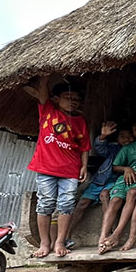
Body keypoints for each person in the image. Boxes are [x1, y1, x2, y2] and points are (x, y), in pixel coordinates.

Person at [24, 77, 90, 258]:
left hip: (70, 170)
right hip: (46, 168)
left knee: (67, 204)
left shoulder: (80, 121)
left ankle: (60, 241)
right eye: (68, 97)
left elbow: (84, 147)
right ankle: (45, 243)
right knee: (45, 204)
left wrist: (84, 166)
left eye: (76, 99)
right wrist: (45, 80)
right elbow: (43, 96)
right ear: (56, 99)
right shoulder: (48, 112)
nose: (72, 101)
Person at [69, 122, 132, 249]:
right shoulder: (113, 148)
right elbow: (100, 148)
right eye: (122, 136)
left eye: (129, 136)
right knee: (82, 203)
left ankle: (109, 231)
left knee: (105, 195)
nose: (126, 139)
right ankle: (67, 235)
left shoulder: (134, 150)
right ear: (117, 138)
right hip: (100, 180)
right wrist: (103, 136)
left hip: (116, 181)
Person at [99, 121, 136, 253]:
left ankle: (117, 234)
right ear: (133, 133)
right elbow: (115, 166)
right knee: (115, 200)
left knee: (133, 193)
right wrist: (126, 168)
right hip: (125, 179)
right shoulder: (128, 148)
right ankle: (102, 237)